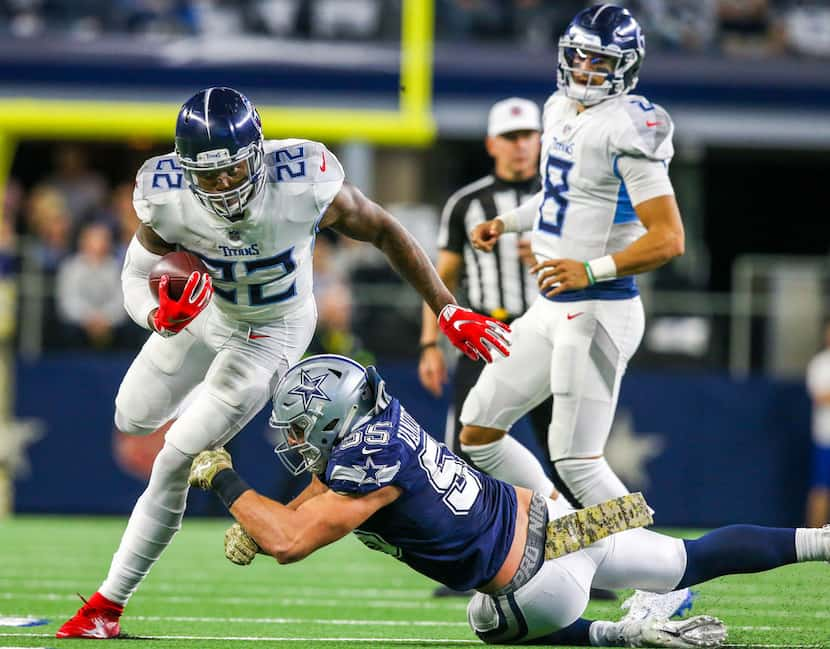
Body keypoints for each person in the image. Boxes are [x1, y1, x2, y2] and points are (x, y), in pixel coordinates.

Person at [56, 86, 510, 639]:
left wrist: (446, 309)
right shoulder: (166, 194)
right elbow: (133, 277)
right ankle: (207, 397)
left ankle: (107, 606)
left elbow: (386, 230)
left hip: (272, 331)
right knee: (131, 417)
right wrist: (158, 316)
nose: (222, 184)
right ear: (184, 169)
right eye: (207, 174)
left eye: (233, 169)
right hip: (207, 315)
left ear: (258, 152)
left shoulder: (301, 178)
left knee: (175, 458)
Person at [187, 353, 830, 648]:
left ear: (333, 419)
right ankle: (820, 542)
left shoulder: (362, 461)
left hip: (537, 587)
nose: (294, 442)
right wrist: (273, 510)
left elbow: (289, 543)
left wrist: (223, 479)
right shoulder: (380, 420)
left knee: (483, 623)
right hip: (569, 525)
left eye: (300, 429)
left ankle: (617, 634)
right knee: (691, 559)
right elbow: (334, 481)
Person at [459, 4, 689, 618]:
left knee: (576, 458)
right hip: (551, 305)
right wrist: (507, 222)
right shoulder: (558, 109)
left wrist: (593, 269)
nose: (587, 70)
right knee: (479, 430)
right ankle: (559, 536)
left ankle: (665, 577)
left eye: (602, 61)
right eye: (580, 56)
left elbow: (668, 238)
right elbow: (562, 196)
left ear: (627, 67)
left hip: (600, 308)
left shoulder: (630, 126)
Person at [419, 96, 545, 460]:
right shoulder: (466, 204)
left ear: (540, 139)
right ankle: (463, 518)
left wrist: (549, 257)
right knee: (462, 448)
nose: (520, 145)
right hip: (484, 336)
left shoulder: (560, 198)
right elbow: (442, 278)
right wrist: (430, 345)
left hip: (546, 334)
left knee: (565, 451)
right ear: (492, 144)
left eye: (526, 135)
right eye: (510, 136)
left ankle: (583, 515)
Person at [805, 321, 830, 527]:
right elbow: (820, 397)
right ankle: (814, 539)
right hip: (826, 438)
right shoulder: (821, 364)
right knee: (821, 489)